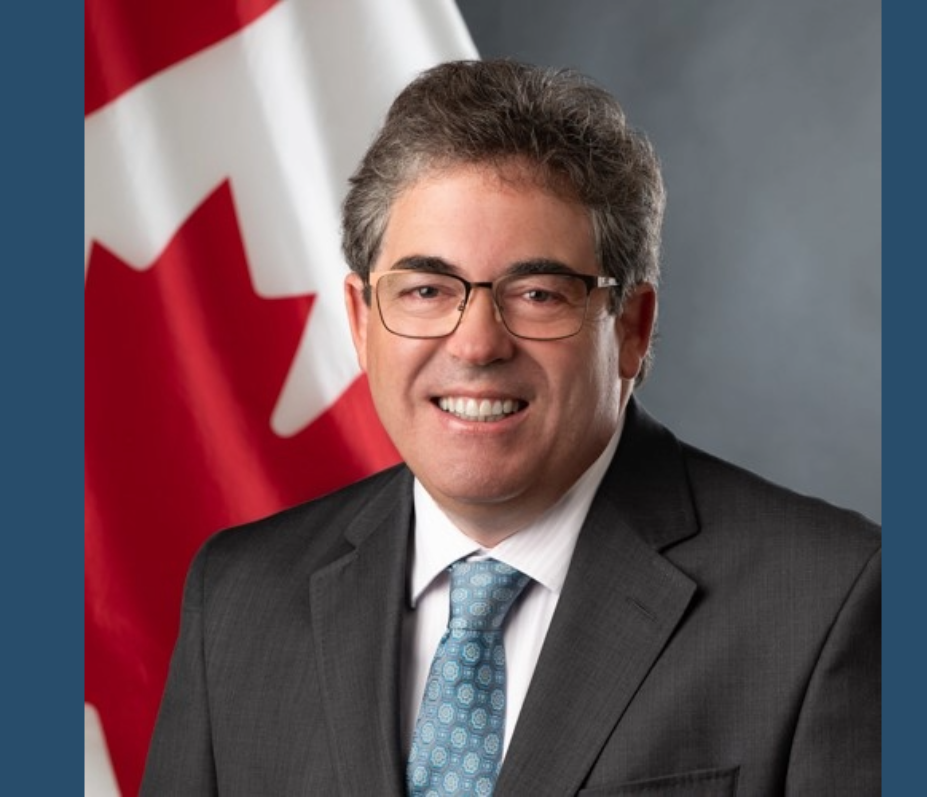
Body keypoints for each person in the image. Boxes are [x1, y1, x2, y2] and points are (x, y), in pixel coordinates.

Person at [141, 59, 881, 796]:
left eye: (536, 293)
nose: (476, 344)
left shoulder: (825, 601)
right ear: (362, 322)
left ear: (630, 326)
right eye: (427, 289)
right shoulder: (238, 597)